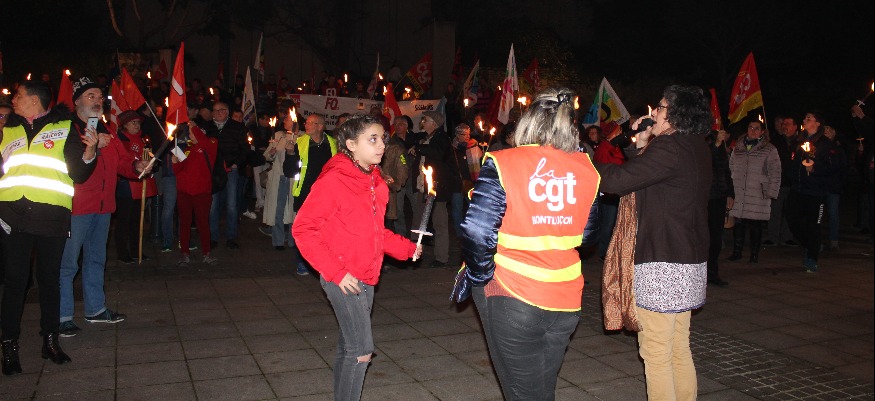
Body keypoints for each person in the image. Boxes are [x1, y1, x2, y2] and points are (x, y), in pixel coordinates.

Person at [452, 88, 600, 401]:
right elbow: (588, 235)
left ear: (528, 122)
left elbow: (477, 231)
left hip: (513, 292)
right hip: (566, 298)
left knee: (523, 393)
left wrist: (481, 276)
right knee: (542, 390)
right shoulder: (586, 166)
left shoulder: (505, 162)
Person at [292, 115, 422, 401]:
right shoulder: (335, 180)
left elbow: (376, 232)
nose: (381, 145)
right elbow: (303, 229)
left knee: (349, 348)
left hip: (367, 273)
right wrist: (336, 272)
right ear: (351, 145)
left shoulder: (376, 182)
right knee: (361, 350)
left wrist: (407, 248)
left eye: (382, 138)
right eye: (372, 139)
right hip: (343, 276)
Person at [596, 85, 711, 401]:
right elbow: (648, 176)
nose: (654, 112)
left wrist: (579, 164)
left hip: (664, 261)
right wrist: (642, 143)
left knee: (656, 351)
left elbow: (618, 180)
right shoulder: (694, 145)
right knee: (677, 346)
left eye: (659, 107)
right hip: (687, 259)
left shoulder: (670, 147)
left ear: (674, 114)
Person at [1, 80, 99, 374]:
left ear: (34, 100)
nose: (13, 99)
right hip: (13, 216)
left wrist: (90, 152)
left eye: (18, 95)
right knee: (15, 281)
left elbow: (78, 173)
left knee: (49, 279)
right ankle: (9, 346)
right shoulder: (7, 130)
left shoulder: (64, 128)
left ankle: (51, 341)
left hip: (51, 216)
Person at [58, 85, 152, 338]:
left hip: (103, 207)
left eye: (100, 97)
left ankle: (95, 309)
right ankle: (62, 316)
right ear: (76, 101)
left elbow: (122, 161)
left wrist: (137, 166)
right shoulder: (66, 129)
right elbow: (69, 163)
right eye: (91, 96)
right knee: (67, 264)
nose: (97, 101)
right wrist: (94, 145)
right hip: (76, 207)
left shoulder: (107, 130)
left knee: (96, 260)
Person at [786, 112, 841, 272]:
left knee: (813, 225)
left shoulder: (825, 144)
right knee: (792, 219)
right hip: (798, 188)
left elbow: (834, 167)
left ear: (817, 124)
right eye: (805, 118)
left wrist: (815, 168)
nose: (804, 120)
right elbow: (793, 161)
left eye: (808, 119)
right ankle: (811, 245)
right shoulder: (799, 141)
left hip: (816, 191)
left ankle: (812, 257)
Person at [284, 113, 338, 275]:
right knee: (305, 231)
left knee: (326, 231)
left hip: (327, 195)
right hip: (305, 194)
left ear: (320, 126)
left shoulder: (333, 144)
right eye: (306, 123)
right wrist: (290, 154)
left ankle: (325, 262)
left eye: (310, 123)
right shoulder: (299, 143)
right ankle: (302, 263)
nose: (305, 125)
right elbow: (289, 171)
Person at [727, 119, 781, 263]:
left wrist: (771, 191)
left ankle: (754, 254)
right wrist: (729, 189)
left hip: (757, 192)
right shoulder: (738, 147)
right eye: (750, 127)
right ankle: (737, 252)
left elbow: (775, 171)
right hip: (739, 190)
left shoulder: (769, 149)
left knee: (755, 224)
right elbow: (731, 167)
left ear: (762, 131)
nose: (753, 130)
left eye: (757, 128)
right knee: (738, 222)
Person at [172, 122, 220, 266]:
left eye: (192, 132)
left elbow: (204, 141)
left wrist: (193, 126)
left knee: (202, 223)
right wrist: (175, 162)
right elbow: (178, 171)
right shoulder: (187, 149)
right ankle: (184, 253)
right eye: (190, 133)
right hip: (184, 192)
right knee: (184, 223)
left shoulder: (211, 144)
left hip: (202, 192)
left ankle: (207, 253)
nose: (190, 135)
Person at [114, 110, 159, 263]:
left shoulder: (143, 139)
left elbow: (147, 157)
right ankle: (122, 252)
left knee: (137, 220)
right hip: (126, 186)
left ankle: (136, 250)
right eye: (133, 122)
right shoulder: (121, 140)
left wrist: (151, 161)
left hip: (140, 185)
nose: (136, 125)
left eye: (138, 122)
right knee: (124, 220)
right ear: (125, 125)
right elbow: (123, 161)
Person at [202, 101, 248, 249]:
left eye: (221, 110)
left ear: (227, 112)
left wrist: (237, 164)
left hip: (231, 170)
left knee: (232, 204)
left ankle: (231, 237)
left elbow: (245, 148)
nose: (218, 113)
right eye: (215, 110)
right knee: (213, 204)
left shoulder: (237, 127)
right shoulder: (207, 127)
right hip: (213, 171)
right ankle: (213, 237)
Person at [409, 111, 452, 267]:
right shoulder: (424, 138)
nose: (423, 122)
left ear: (434, 123)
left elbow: (437, 153)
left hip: (436, 189)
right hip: (423, 187)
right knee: (418, 222)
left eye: (425, 120)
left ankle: (441, 257)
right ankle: (413, 253)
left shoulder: (442, 138)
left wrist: (419, 148)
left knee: (439, 223)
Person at [260, 114, 297, 250]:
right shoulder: (278, 135)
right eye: (285, 119)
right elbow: (267, 155)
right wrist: (272, 153)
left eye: (288, 119)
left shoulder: (302, 136)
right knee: (278, 210)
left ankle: (293, 240)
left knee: (294, 210)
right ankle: (278, 240)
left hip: (294, 177)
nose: (285, 121)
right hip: (279, 176)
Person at [706, 129, 734, 287]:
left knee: (716, 237)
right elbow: (706, 161)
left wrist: (730, 193)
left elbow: (725, 170)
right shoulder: (702, 140)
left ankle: (712, 273)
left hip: (718, 196)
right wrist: (716, 145)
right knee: (703, 237)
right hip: (704, 197)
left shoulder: (721, 145)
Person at [448, 123, 482, 238]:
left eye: (468, 134)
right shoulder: (452, 148)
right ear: (457, 135)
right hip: (457, 183)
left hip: (471, 183)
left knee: (475, 208)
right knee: (457, 209)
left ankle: (474, 231)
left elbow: (481, 162)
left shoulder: (474, 147)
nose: (467, 136)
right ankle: (460, 234)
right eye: (464, 134)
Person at [382, 119, 410, 236]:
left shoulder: (396, 149)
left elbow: (403, 167)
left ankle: (400, 238)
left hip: (389, 190)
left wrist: (397, 184)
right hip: (374, 192)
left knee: (394, 215)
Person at [822, 126, 848, 250]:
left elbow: (842, 167)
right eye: (824, 132)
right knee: (818, 215)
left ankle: (834, 240)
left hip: (833, 186)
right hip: (821, 186)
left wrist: (840, 183)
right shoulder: (818, 148)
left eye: (828, 132)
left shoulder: (837, 150)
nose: (826, 134)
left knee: (833, 213)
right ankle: (817, 240)